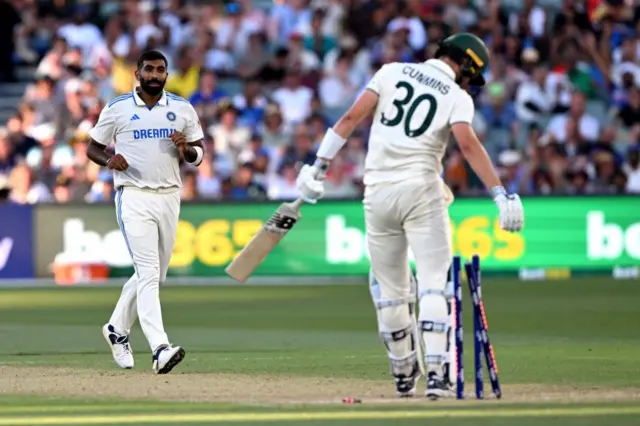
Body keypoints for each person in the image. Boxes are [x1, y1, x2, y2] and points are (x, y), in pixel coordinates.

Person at [295, 33, 524, 398]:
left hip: (378, 194)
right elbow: (467, 143)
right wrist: (500, 193)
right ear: (464, 63)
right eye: (470, 74)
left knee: (390, 292)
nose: (469, 83)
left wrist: (317, 167)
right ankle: (437, 376)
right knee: (434, 282)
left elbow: (351, 117)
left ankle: (403, 375)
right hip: (421, 192)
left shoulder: (390, 72)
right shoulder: (456, 97)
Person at [87, 50, 205, 374]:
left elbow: (199, 155)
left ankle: (115, 328)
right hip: (133, 194)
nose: (155, 74)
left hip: (169, 195)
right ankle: (160, 348)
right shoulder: (117, 108)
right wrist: (109, 160)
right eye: (149, 69)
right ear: (138, 73)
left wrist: (185, 149)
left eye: (161, 70)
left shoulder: (182, 108)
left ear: (167, 74)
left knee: (152, 275)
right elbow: (92, 147)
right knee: (149, 273)